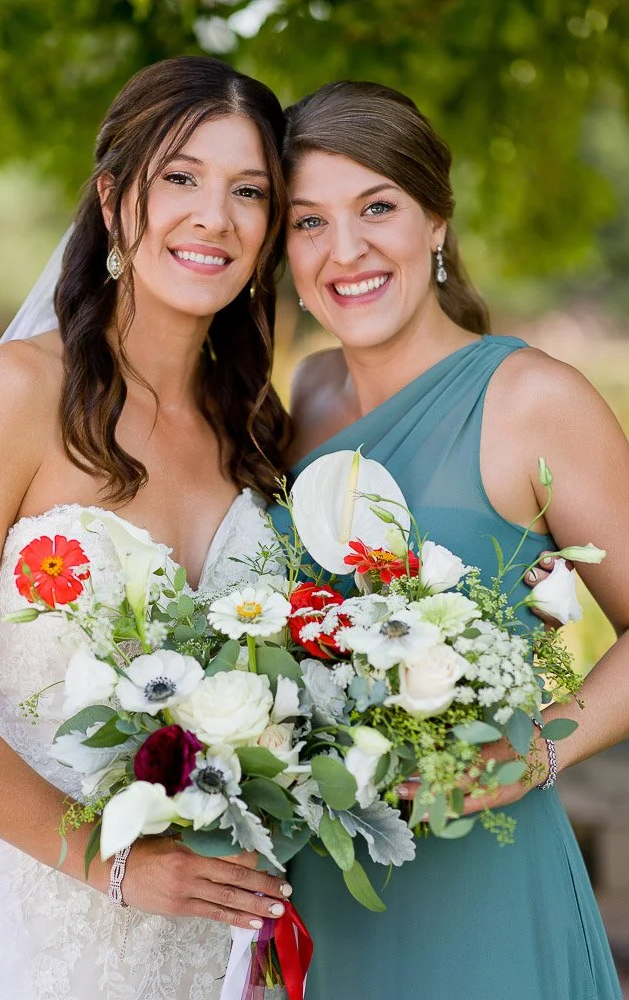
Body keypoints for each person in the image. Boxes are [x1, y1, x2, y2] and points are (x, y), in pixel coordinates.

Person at [281, 81, 628, 1000]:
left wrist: (536, 749)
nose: (343, 250)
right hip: (322, 889)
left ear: (436, 218)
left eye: (377, 207)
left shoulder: (530, 398)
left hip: (483, 882)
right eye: (307, 221)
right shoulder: (303, 398)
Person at [0, 56, 295, 999]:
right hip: (43, 939)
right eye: (179, 178)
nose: (213, 217)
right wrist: (109, 863)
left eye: (248, 192)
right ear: (113, 201)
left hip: (225, 953)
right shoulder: (7, 395)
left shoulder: (259, 437)